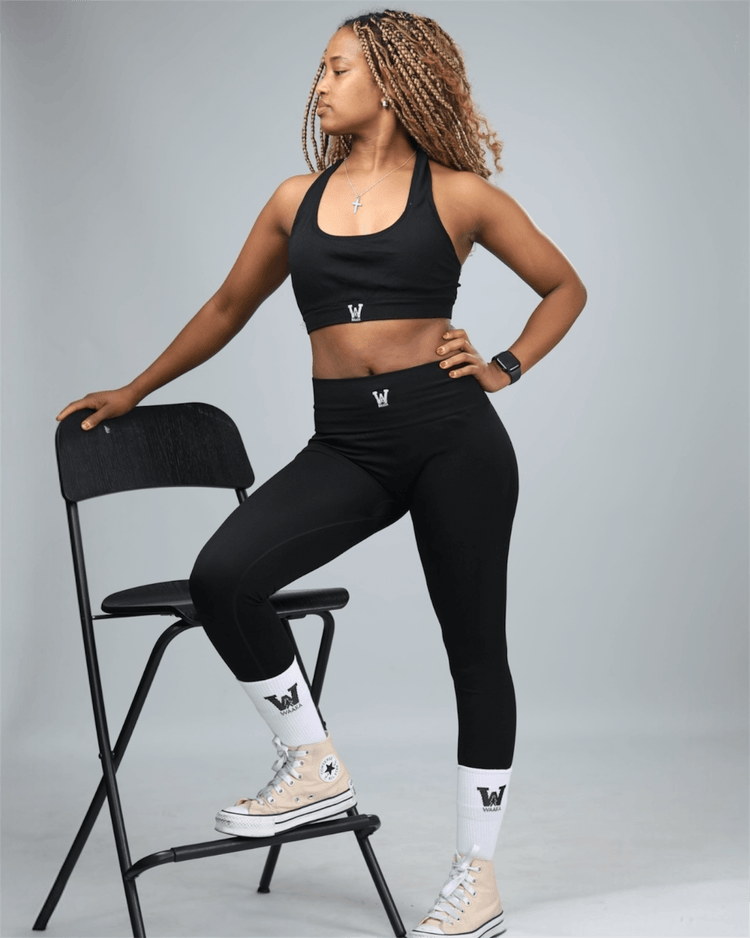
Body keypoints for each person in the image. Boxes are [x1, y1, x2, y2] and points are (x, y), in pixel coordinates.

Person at [57, 9, 586, 937]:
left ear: (389, 82)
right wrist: (136, 388)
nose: (319, 86)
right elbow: (228, 305)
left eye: (336, 69)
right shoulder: (292, 200)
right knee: (225, 577)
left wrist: (506, 365)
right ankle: (314, 762)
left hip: (451, 439)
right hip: (348, 445)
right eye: (319, 69)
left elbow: (564, 286)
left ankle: (476, 880)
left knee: (475, 654)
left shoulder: (461, 196)